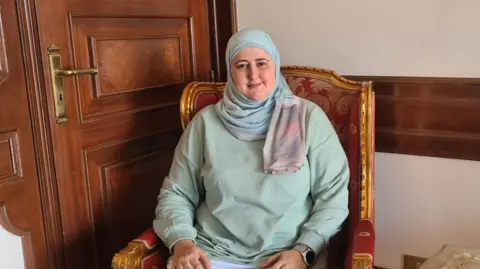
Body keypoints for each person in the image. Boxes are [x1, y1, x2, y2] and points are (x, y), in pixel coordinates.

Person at [153, 28, 350, 269]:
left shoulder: (308, 118)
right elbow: (177, 193)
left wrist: (303, 251)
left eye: (261, 63)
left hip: (285, 257)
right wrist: (182, 242)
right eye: (242, 65)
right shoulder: (205, 123)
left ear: (275, 65)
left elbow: (333, 198)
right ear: (230, 71)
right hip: (211, 254)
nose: (253, 74)